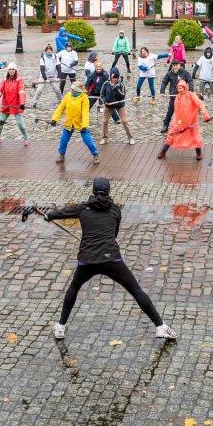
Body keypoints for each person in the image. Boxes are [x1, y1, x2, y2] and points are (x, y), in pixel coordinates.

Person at [45, 177, 177, 340]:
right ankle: (160, 326)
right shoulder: (115, 210)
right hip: (111, 260)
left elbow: (60, 213)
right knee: (136, 290)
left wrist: (48, 215)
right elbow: (113, 234)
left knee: (74, 287)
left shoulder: (82, 208)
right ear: (109, 191)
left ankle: (60, 327)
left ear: (92, 191)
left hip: (87, 260)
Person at [49, 81, 100, 165]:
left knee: (87, 140)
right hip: (69, 122)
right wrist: (54, 119)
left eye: (73, 89)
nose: (71, 91)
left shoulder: (84, 98)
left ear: (78, 91)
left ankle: (95, 154)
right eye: (71, 89)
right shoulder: (68, 96)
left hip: (80, 123)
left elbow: (85, 112)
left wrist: (84, 126)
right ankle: (62, 154)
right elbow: (61, 107)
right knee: (63, 140)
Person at [157, 80, 210, 160]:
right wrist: (180, 123)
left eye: (181, 88)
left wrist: (205, 114)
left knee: (196, 136)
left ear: (185, 87)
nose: (179, 90)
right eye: (178, 89)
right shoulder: (177, 98)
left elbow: (200, 104)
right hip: (179, 121)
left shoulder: (191, 95)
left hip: (192, 120)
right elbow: (177, 112)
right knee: (171, 135)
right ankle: (163, 151)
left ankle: (199, 153)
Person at [0, 62, 29, 146]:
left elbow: (22, 91)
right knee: (0, 122)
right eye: (10, 69)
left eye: (13, 69)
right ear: (8, 71)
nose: (11, 71)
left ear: (15, 70)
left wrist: (22, 103)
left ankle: (26, 138)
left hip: (17, 105)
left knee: (20, 123)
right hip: (6, 105)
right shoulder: (4, 80)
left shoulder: (19, 80)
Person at [100, 67, 134, 145]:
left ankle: (130, 137)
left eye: (116, 78)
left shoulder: (121, 84)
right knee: (105, 121)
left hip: (119, 104)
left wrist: (116, 89)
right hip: (109, 104)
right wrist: (105, 101)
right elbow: (102, 94)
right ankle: (104, 137)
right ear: (110, 77)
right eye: (113, 78)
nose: (114, 80)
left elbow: (122, 96)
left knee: (124, 121)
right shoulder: (106, 83)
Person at [159, 59, 193, 134]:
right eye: (173, 65)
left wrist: (190, 90)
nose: (175, 67)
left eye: (176, 65)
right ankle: (165, 125)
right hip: (174, 96)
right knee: (170, 111)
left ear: (179, 65)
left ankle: (187, 126)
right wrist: (162, 91)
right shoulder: (169, 73)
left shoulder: (185, 72)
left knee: (185, 112)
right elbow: (164, 82)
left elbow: (190, 80)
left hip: (183, 96)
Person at [193, 47, 213, 114]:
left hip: (210, 79)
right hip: (202, 78)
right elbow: (197, 66)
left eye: (209, 53)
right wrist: (193, 74)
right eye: (207, 53)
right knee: (200, 93)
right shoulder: (202, 58)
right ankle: (199, 106)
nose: (208, 55)